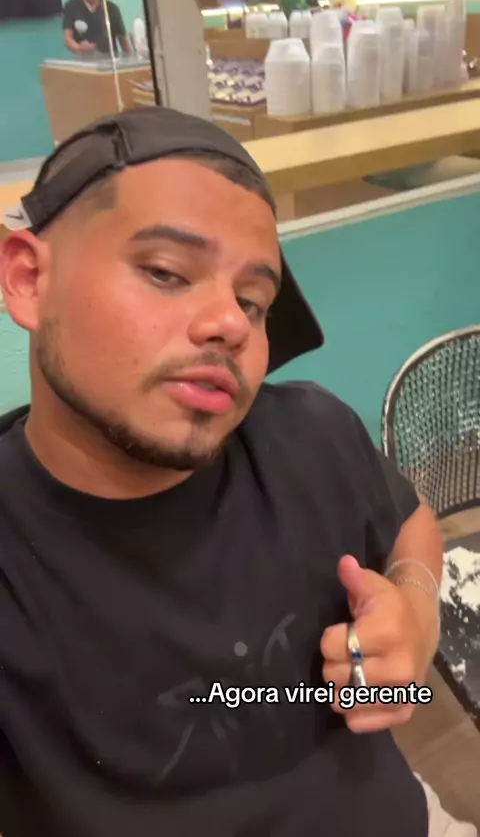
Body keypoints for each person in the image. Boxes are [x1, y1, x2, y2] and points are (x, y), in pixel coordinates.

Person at [0, 107, 476, 837]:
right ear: (29, 278)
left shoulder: (311, 435)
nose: (229, 322)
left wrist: (413, 612)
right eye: (166, 272)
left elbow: (408, 522)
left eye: (254, 303)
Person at [63, 0, 131, 57]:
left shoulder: (112, 8)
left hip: (109, 59)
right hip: (83, 60)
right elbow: (68, 38)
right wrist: (78, 48)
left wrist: (129, 58)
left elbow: (124, 42)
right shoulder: (71, 6)